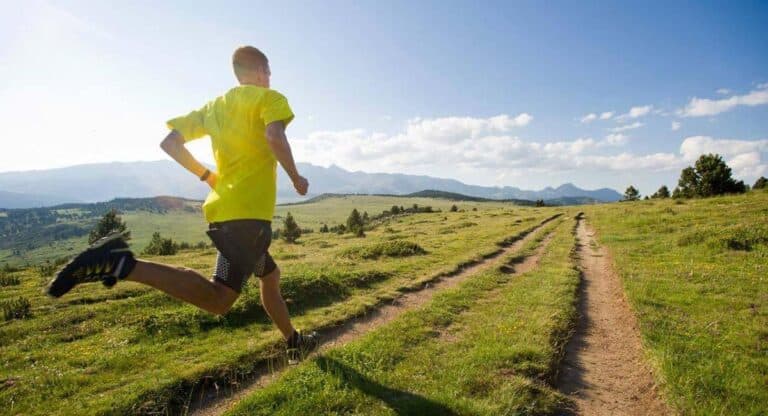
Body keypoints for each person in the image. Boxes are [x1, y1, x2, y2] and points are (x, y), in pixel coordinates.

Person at [46, 46, 318, 363]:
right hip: (247, 217)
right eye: (268, 73)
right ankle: (122, 263)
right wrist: (296, 177)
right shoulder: (270, 99)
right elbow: (274, 135)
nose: (270, 78)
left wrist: (206, 175)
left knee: (270, 276)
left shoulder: (214, 107)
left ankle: (294, 342)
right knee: (219, 299)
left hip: (227, 211)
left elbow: (170, 143)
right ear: (260, 71)